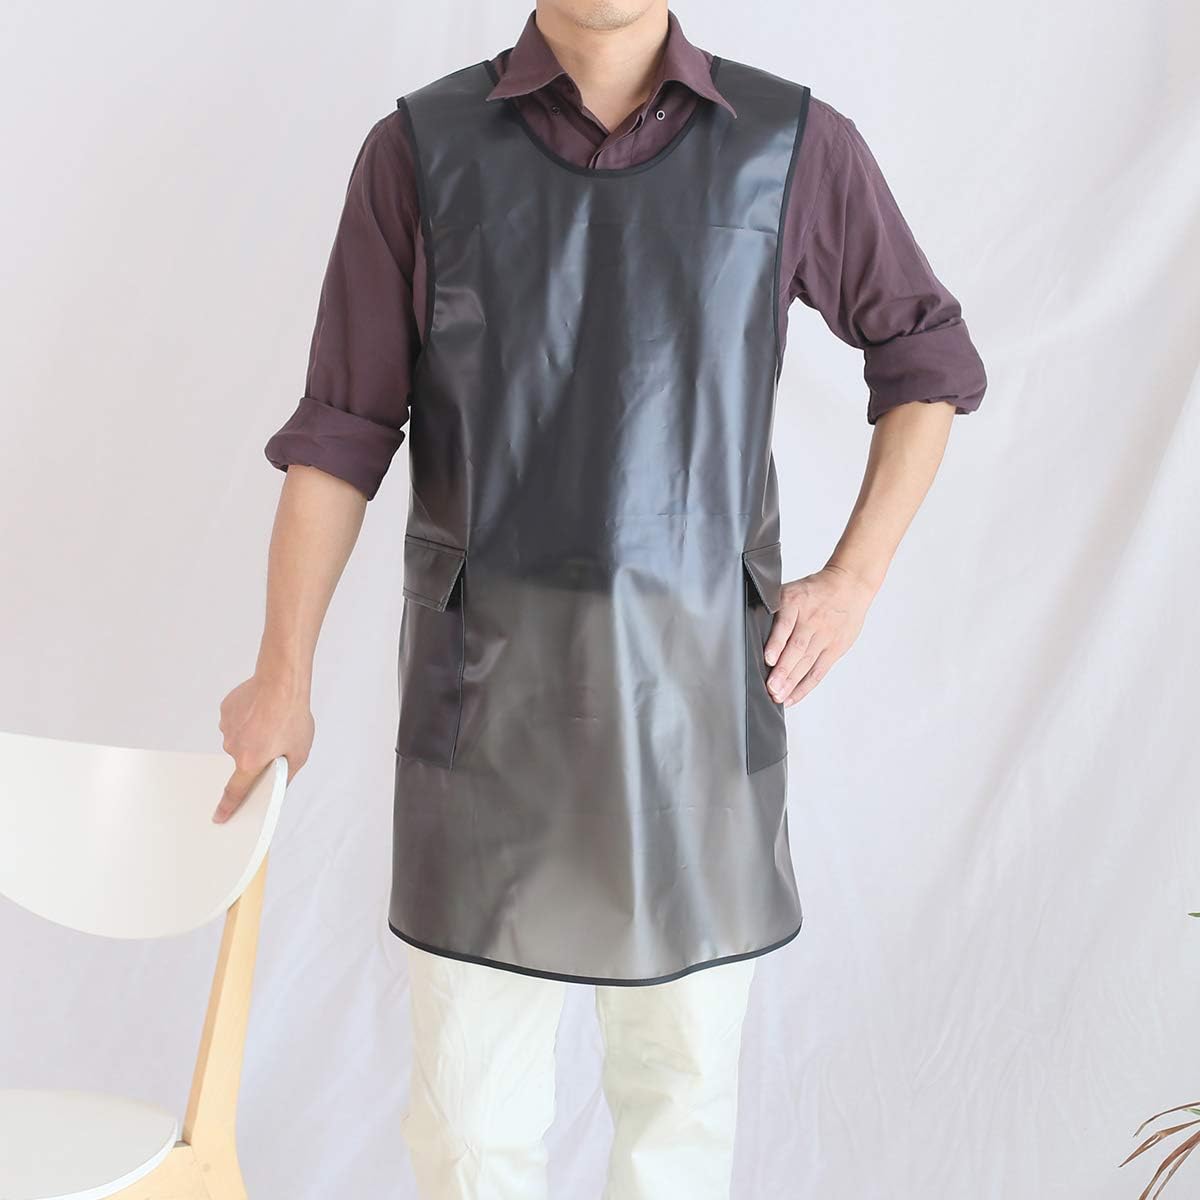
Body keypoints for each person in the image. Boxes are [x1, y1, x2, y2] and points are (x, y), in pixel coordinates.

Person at [215, 3, 987, 1196]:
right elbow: (342, 431)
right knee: (470, 1128)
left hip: (696, 707)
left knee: (678, 1111)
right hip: (487, 708)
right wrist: (283, 674)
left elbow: (925, 355)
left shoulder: (789, 144)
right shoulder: (421, 149)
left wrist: (855, 579)